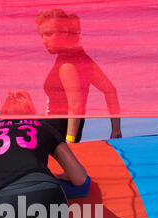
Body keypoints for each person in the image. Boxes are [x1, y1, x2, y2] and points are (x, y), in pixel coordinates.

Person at [36, 9, 122, 143]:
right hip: (62, 133)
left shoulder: (66, 65)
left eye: (48, 34)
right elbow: (110, 90)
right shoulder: (81, 58)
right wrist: (116, 128)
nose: (44, 41)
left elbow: (75, 105)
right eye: (41, 35)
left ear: (64, 32)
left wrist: (70, 141)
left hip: (57, 135)